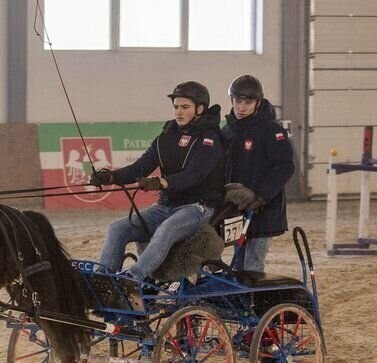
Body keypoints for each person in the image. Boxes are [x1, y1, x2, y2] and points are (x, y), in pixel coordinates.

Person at [90, 81, 225, 282]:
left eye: (185, 107)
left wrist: (162, 183)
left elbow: (194, 174)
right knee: (116, 229)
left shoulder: (210, 139)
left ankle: (134, 279)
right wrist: (111, 177)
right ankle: (104, 281)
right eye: (176, 107)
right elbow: (139, 168)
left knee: (166, 230)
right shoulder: (166, 137)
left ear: (200, 109)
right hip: (165, 206)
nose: (178, 112)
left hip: (197, 207)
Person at [221, 75, 294, 273]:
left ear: (258, 103)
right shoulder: (227, 131)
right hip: (237, 210)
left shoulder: (272, 131)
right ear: (231, 101)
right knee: (238, 264)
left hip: (263, 210)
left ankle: (253, 294)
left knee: (253, 264)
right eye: (237, 101)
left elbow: (285, 167)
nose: (241, 108)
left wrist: (262, 196)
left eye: (248, 102)